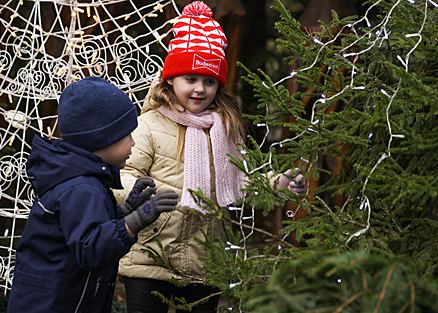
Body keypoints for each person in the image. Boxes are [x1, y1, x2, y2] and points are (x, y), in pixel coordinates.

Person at [113, 2, 305, 312]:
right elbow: (124, 172)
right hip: (151, 254)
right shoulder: (149, 123)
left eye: (210, 81)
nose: (200, 89)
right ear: (170, 80)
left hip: (206, 259)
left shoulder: (225, 129)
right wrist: (138, 194)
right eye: (190, 79)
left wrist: (277, 185)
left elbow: (242, 182)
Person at [6, 76, 178, 313]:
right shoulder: (80, 187)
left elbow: (90, 228)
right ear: (100, 138)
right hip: (53, 306)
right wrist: (134, 222)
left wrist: (126, 211)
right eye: (126, 135)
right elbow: (92, 249)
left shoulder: (84, 180)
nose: (133, 143)